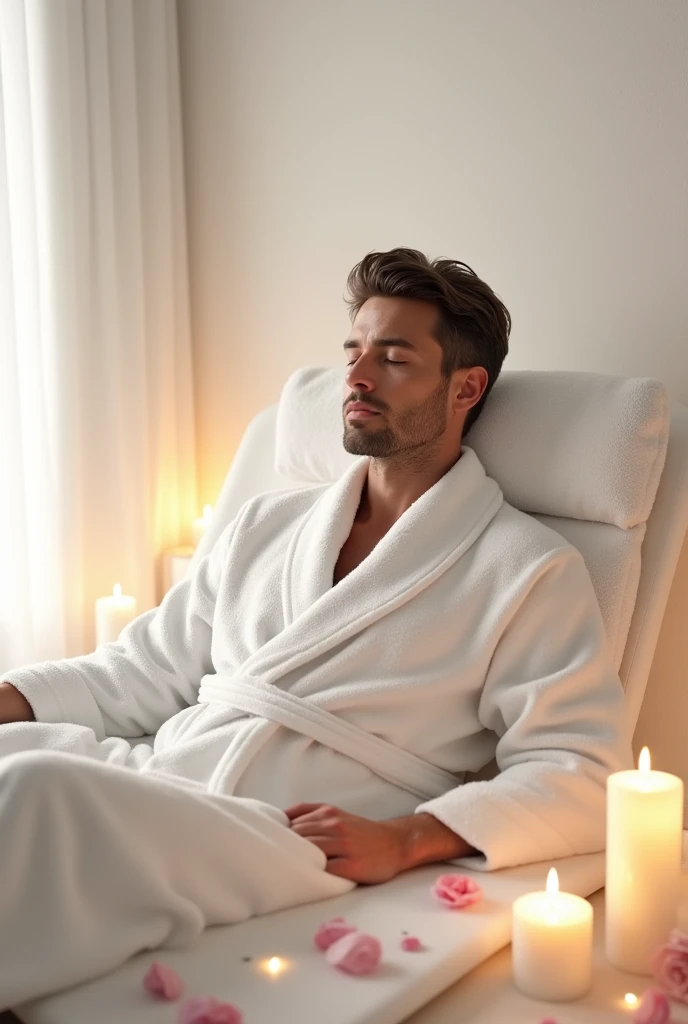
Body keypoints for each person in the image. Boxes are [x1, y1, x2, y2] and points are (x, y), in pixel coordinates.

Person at [0, 247, 632, 1009]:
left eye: (394, 359)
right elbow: (142, 672)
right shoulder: (267, 524)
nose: (358, 378)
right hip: (162, 777)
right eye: (354, 352)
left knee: (34, 791)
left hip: (284, 837)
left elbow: (583, 770)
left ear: (465, 387)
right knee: (18, 757)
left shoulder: (526, 568)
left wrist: (407, 837)